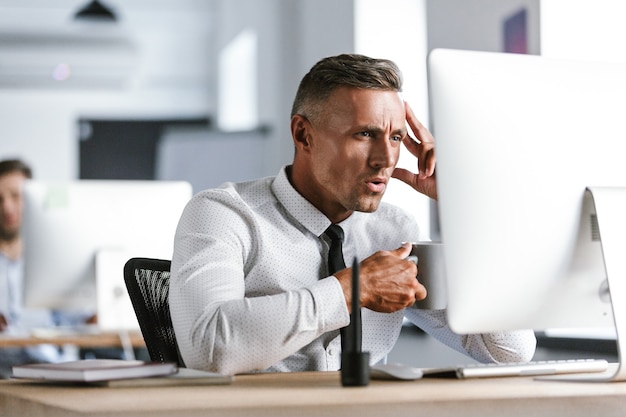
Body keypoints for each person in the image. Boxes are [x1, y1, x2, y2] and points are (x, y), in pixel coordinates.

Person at [169, 54, 536, 375]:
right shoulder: (223, 214)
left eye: (395, 138)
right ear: (303, 135)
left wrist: (466, 208)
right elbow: (208, 349)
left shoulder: (394, 231)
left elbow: (509, 350)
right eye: (365, 134)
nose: (386, 159)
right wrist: (351, 289)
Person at [0, 159, 97, 378]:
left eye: (15, 196)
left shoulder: (53, 257)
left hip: (52, 370)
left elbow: (79, 317)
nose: (7, 207)